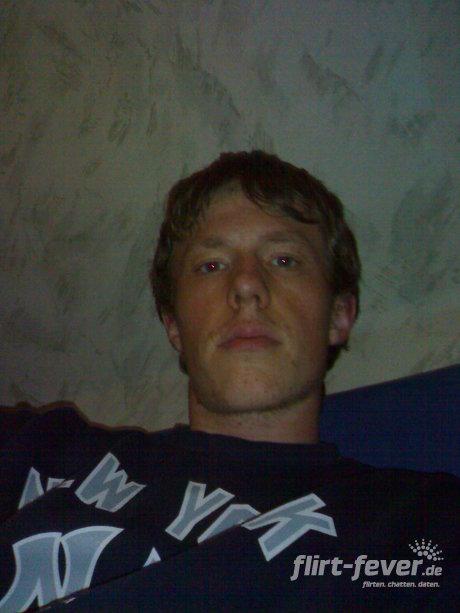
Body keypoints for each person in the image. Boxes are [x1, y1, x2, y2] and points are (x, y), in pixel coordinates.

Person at [0, 151, 458, 611]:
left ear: (339, 315)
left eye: (284, 259)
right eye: (211, 265)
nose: (246, 285)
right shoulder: (41, 450)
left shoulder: (422, 529)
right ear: (174, 326)